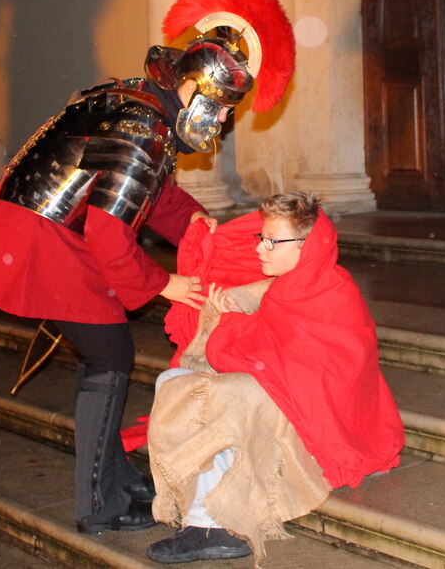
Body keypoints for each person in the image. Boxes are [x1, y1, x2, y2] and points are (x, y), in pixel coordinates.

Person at [0, 0, 295, 535]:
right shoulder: (146, 131)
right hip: (41, 235)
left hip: (41, 227)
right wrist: (165, 284)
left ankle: (114, 479)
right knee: (110, 355)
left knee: (105, 352)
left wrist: (196, 226)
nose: (224, 123)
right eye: (223, 110)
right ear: (199, 96)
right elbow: (110, 234)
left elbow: (147, 193)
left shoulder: (144, 104)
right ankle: (96, 503)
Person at [143, 192, 405, 564]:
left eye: (271, 241)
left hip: (318, 420)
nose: (261, 250)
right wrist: (232, 316)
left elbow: (305, 372)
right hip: (294, 397)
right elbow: (268, 355)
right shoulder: (293, 285)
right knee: (172, 379)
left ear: (307, 246)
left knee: (220, 396)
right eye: (260, 238)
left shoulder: (330, 292)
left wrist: (229, 321)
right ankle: (193, 499)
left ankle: (218, 526)